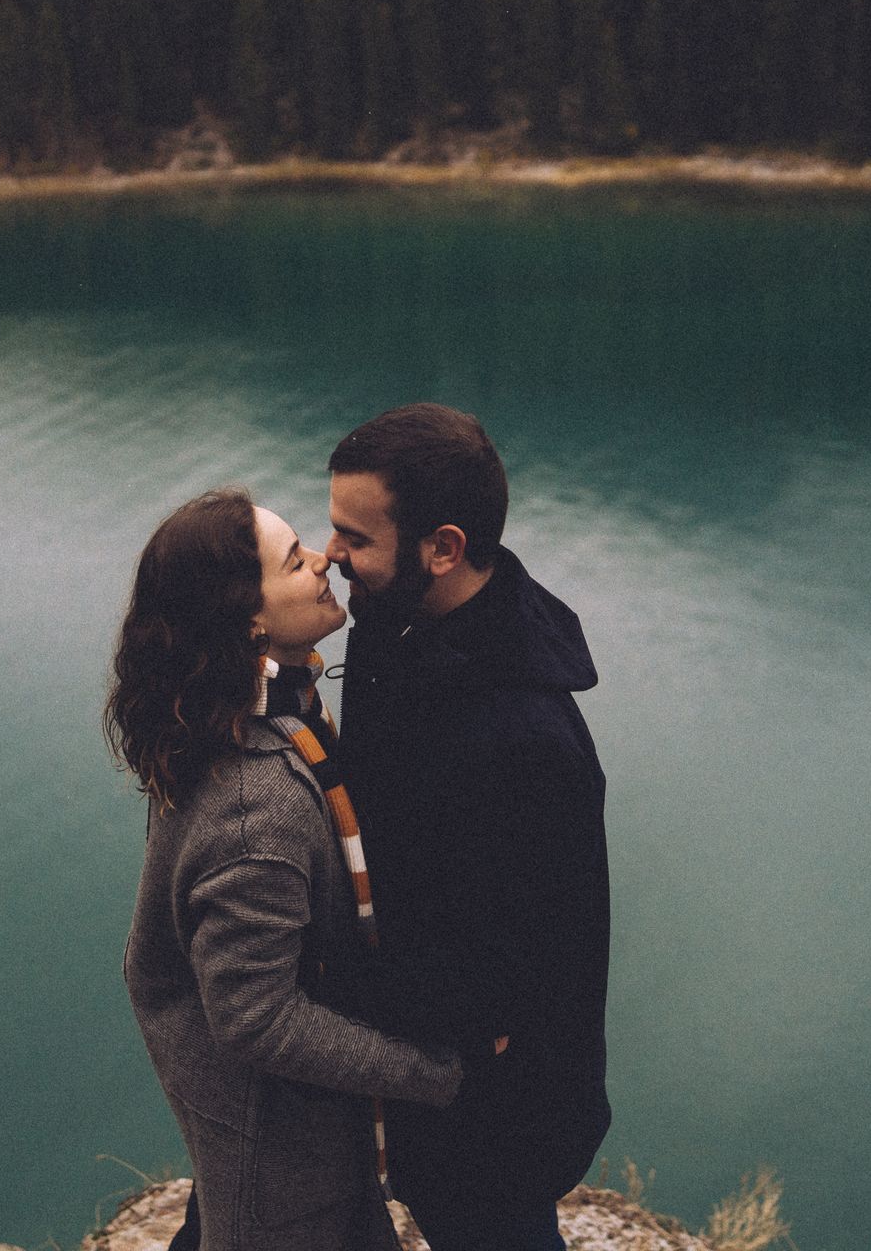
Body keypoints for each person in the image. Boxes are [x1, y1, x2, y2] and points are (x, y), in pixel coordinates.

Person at [110, 487, 464, 1251]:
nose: (326, 560)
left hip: (290, 1139)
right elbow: (256, 1018)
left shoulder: (253, 713)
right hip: (282, 1173)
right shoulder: (254, 805)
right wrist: (429, 1072)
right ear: (250, 619)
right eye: (296, 560)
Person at [324, 404, 612, 1251]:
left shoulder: (522, 743)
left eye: (355, 536)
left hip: (496, 1111)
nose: (332, 553)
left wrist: (310, 982)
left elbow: (491, 983)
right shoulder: (401, 623)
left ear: (444, 548)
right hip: (419, 1064)